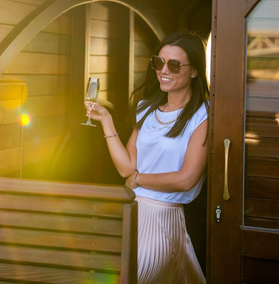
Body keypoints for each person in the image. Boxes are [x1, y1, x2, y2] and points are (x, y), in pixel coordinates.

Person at [84, 31, 208, 284]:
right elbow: (126, 168)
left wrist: (139, 180)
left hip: (164, 218)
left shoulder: (201, 115)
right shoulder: (147, 108)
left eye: (174, 65)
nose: (164, 70)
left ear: (194, 71)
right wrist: (106, 120)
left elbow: (187, 179)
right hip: (131, 212)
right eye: (158, 62)